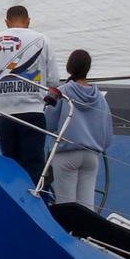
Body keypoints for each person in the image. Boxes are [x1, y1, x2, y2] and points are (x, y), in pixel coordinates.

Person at [0, 5, 52, 178]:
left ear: (6, 22)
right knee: (34, 165)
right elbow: (54, 79)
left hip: (3, 113)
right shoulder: (42, 39)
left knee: (10, 165)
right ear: (28, 21)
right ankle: (36, 202)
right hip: (33, 112)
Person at [45, 49, 112, 209]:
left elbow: (48, 124)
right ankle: (84, 234)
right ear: (87, 69)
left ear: (69, 68)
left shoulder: (63, 91)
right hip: (91, 157)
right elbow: (108, 134)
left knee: (66, 206)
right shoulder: (100, 98)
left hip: (67, 155)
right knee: (86, 207)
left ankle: (67, 232)